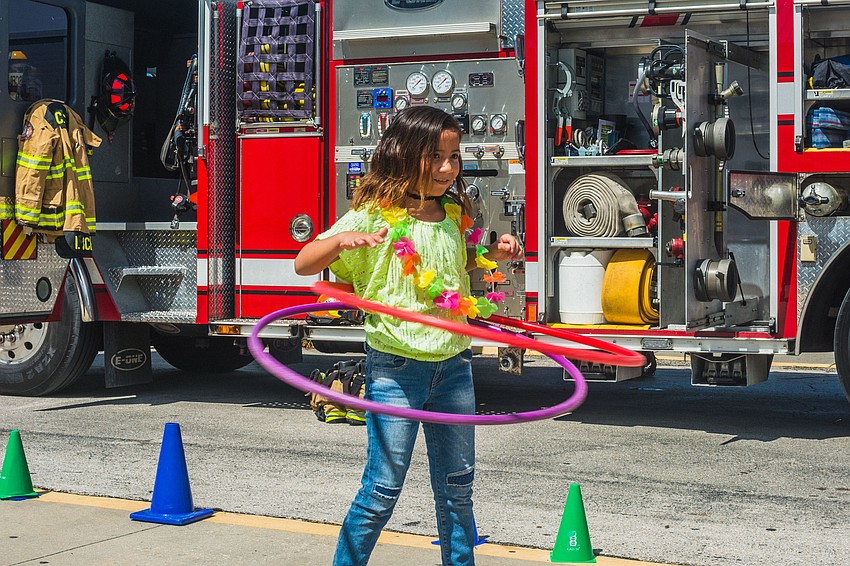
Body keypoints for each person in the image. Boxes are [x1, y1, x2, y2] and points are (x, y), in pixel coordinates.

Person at [294, 105, 523, 566]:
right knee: (381, 488)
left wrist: (492, 253)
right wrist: (339, 242)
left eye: (454, 157)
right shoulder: (373, 216)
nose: (446, 168)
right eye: (435, 156)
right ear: (404, 154)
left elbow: (455, 272)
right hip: (396, 370)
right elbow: (304, 264)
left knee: (458, 487)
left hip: (455, 367)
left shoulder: (454, 212)